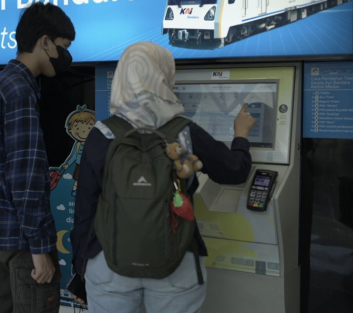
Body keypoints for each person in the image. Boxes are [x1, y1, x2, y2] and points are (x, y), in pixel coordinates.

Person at [69, 42, 257, 312]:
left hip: (109, 264)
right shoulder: (185, 131)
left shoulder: (102, 134)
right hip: (177, 262)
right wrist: (241, 136)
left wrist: (80, 269)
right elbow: (235, 170)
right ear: (165, 75)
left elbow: (85, 208)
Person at [0, 2, 76, 313]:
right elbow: (25, 177)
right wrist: (40, 248)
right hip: (19, 240)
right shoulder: (20, 91)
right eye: (63, 47)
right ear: (45, 42)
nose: (66, 55)